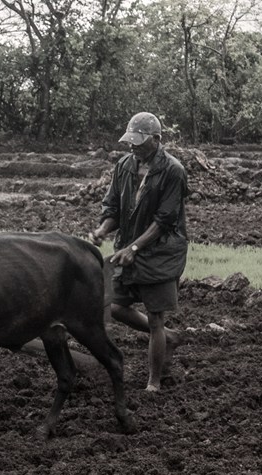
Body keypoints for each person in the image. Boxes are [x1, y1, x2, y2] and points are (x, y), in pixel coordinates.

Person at [89, 111, 188, 392]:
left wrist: (135, 247)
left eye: (139, 141)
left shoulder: (173, 170)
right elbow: (114, 210)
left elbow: (164, 220)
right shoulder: (124, 166)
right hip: (128, 249)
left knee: (156, 317)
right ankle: (168, 338)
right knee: (114, 305)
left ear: (157, 140)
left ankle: (154, 383)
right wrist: (102, 230)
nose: (132, 146)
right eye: (130, 140)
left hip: (161, 252)